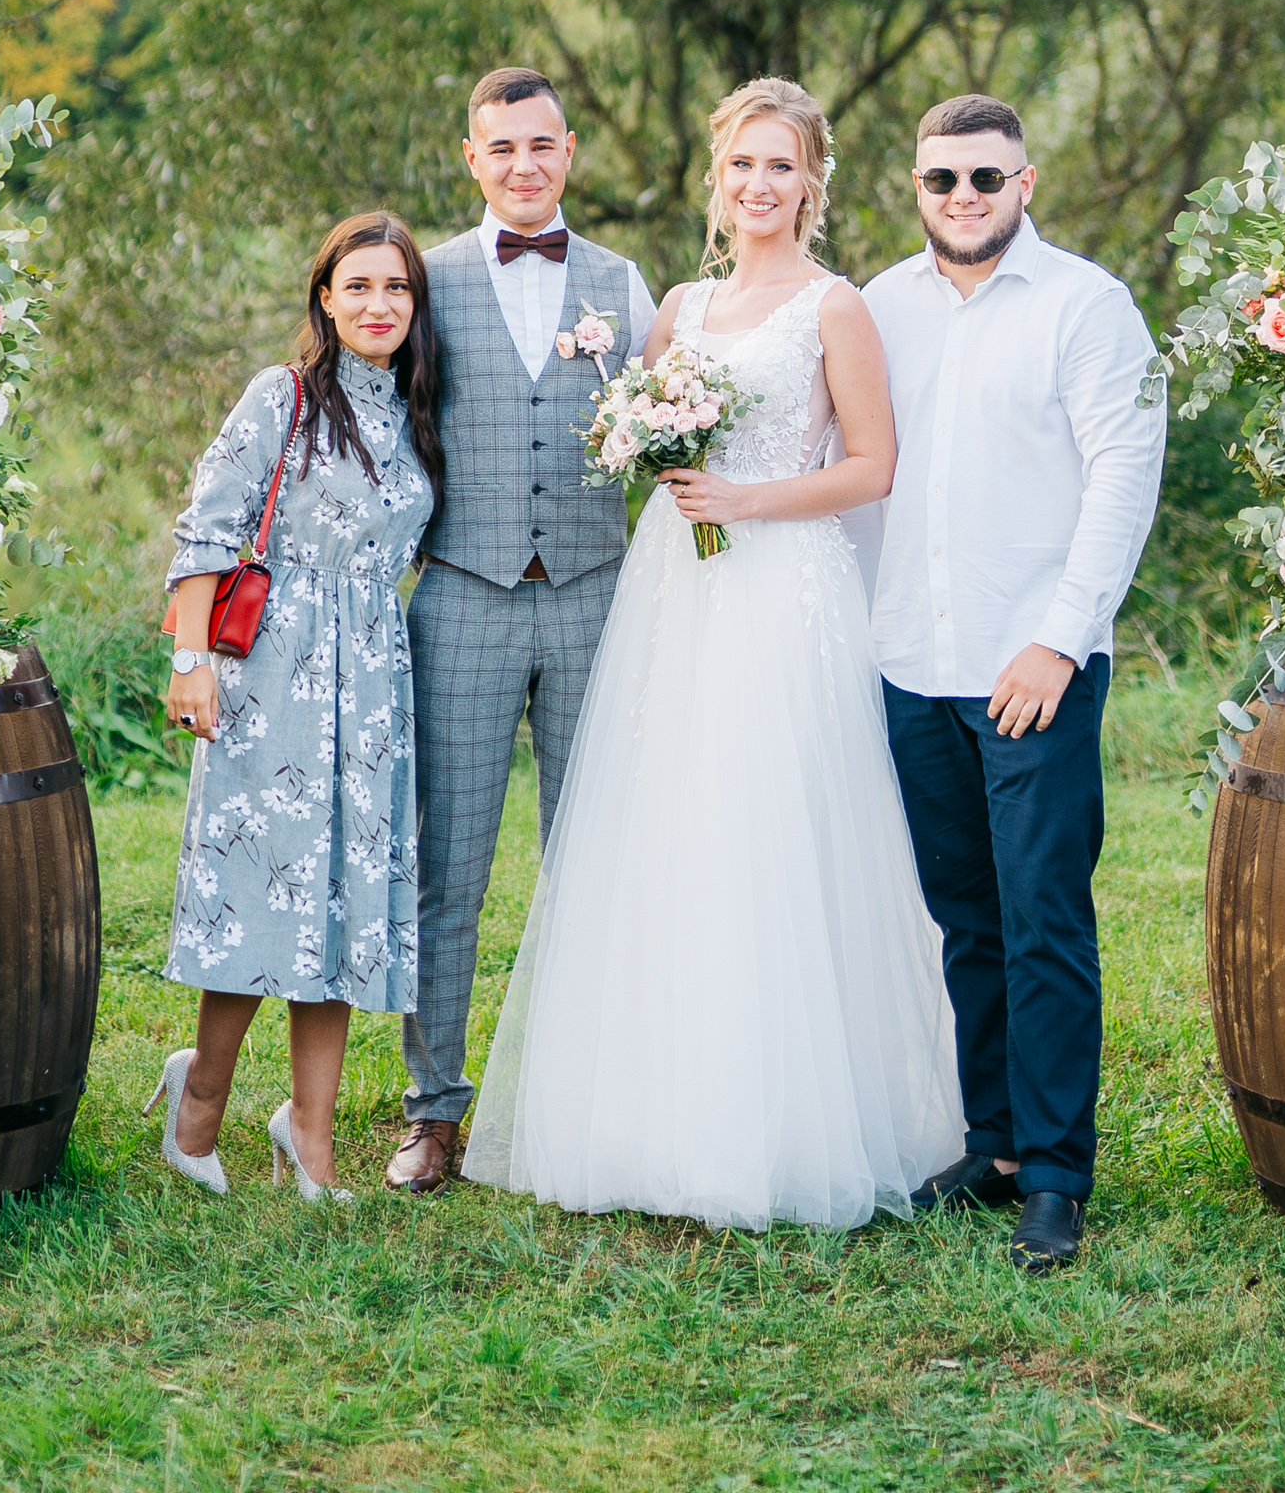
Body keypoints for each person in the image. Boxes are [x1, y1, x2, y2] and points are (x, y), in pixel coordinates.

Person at [462, 78, 963, 1230]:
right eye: (743, 163)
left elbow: (873, 466)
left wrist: (747, 498)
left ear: (812, 182)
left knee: (774, 828)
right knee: (673, 824)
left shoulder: (836, 307)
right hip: (677, 590)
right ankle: (659, 1119)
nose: (760, 184)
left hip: (787, 593)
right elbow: (634, 427)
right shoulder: (680, 307)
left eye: (781, 165)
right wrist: (644, 448)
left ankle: (792, 1126)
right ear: (717, 177)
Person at [861, 95, 1165, 1272]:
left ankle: (1054, 1175)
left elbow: (1123, 476)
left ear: (1024, 183)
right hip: (912, 661)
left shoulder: (1088, 307)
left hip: (1030, 664)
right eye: (942, 179)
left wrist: (1060, 639)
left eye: (986, 177)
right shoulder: (881, 307)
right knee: (965, 918)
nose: (964, 198)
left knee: (1044, 920)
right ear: (917, 185)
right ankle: (991, 1147)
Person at [387, 66, 659, 1193]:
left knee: (591, 858)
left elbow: (673, 424)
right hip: (461, 594)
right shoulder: (423, 280)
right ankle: (433, 1110)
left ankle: (580, 1101)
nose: (524, 165)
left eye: (542, 144)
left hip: (598, 595)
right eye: (501, 147)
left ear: (571, 150)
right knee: (447, 867)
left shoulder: (623, 283)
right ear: (472, 158)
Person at [145, 213, 443, 1199]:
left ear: (416, 303)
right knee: (255, 895)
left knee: (346, 906)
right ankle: (200, 1102)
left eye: (396, 287)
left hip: (373, 684)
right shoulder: (284, 396)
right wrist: (192, 661)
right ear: (325, 297)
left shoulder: (419, 411)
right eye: (358, 286)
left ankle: (309, 1135)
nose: (378, 304)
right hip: (273, 671)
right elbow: (207, 529)